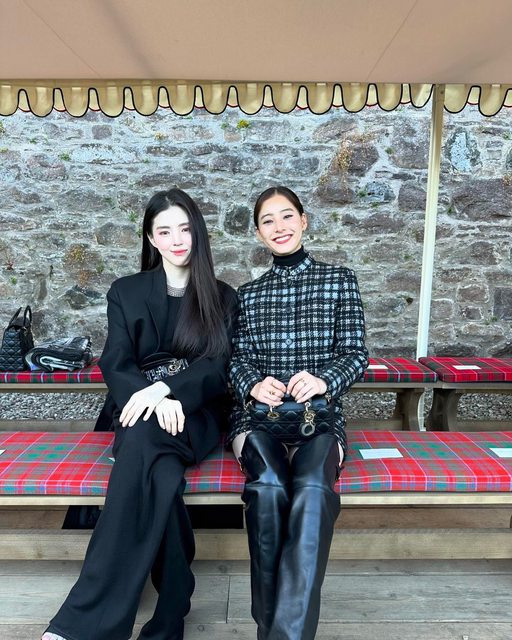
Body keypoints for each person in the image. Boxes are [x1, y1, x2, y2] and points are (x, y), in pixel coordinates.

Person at [43, 188, 237, 640]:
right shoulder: (125, 291)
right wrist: (150, 396)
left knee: (146, 445)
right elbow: (116, 361)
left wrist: (167, 391)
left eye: (184, 229)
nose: (176, 240)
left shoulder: (223, 297)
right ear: (150, 238)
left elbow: (217, 367)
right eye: (164, 231)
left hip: (196, 411)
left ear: (198, 232)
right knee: (159, 469)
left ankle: (83, 623)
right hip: (135, 405)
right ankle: (172, 607)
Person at [228, 186, 368, 640]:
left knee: (311, 488)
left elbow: (356, 354)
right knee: (268, 486)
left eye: (287, 216)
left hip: (319, 418)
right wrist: (253, 383)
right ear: (258, 233)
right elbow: (236, 359)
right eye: (267, 221)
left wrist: (324, 379)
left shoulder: (339, 280)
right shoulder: (248, 294)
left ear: (304, 221)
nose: (279, 227)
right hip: (258, 419)